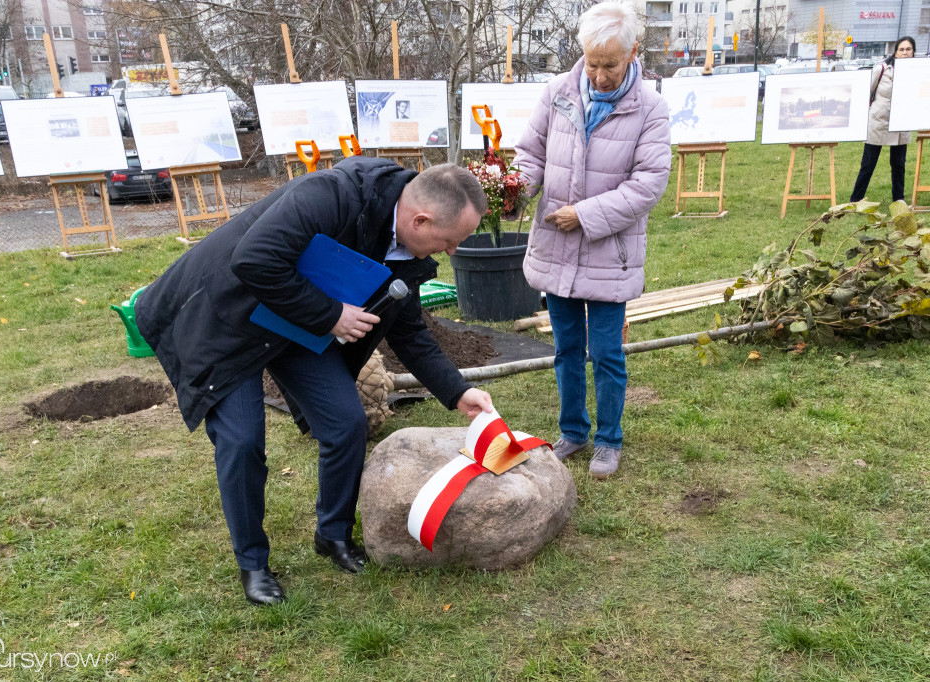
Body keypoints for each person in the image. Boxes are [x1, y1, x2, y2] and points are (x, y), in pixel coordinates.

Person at [134, 157, 494, 606]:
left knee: (346, 423)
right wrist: (331, 315)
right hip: (228, 318)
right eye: (450, 240)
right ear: (420, 220)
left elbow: (409, 331)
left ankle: (333, 535)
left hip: (295, 322)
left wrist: (457, 390)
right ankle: (253, 563)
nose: (453, 251)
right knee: (242, 441)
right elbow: (254, 259)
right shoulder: (331, 196)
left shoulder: (406, 249)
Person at [513, 0, 671, 479]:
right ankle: (573, 431)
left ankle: (609, 439)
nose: (600, 76)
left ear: (633, 53)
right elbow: (531, 152)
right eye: (592, 63)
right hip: (556, 249)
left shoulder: (650, 108)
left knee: (606, 353)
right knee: (565, 350)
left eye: (611, 66)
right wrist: (515, 188)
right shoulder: (558, 92)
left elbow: (648, 184)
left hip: (609, 253)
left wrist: (584, 215)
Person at [849, 37, 916, 204]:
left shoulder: (916, 71)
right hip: (878, 121)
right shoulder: (882, 69)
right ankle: (856, 199)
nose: (905, 53)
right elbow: (867, 91)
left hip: (901, 122)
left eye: (908, 49)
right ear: (896, 52)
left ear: (913, 52)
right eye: (901, 49)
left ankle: (899, 199)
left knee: (899, 164)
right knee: (868, 164)